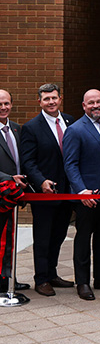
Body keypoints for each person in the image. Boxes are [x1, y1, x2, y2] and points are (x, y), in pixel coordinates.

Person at [62, 89, 100, 301]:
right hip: (87, 196)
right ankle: (83, 282)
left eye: (98, 102)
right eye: (90, 103)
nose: (95, 106)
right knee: (83, 239)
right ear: (83, 106)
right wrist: (80, 191)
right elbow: (70, 164)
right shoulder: (76, 130)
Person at [20, 84, 75, 296]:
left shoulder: (71, 121)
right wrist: (41, 181)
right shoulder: (32, 127)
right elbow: (28, 161)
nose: (51, 102)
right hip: (44, 193)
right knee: (43, 238)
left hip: (67, 192)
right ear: (39, 102)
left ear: (60, 99)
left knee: (59, 235)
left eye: (54, 98)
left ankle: (52, 274)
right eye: (46, 99)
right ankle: (41, 279)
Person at [0, 89, 29, 292]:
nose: (3, 108)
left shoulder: (17, 129)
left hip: (14, 196)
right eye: (0, 104)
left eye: (6, 103)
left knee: (10, 238)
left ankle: (9, 278)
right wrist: (8, 179)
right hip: (2, 192)